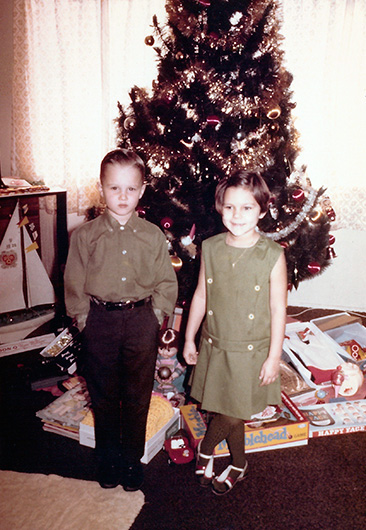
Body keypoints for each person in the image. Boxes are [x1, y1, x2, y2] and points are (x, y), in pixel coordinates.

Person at [64, 148, 178, 491]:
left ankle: (131, 461)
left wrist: (155, 316)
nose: (123, 196)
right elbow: (73, 283)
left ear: (142, 190)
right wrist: (84, 321)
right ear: (102, 188)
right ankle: (108, 460)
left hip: (141, 320)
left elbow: (165, 282)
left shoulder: (153, 235)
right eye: (115, 188)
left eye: (131, 188)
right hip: (100, 321)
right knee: (103, 394)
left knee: (137, 395)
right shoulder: (85, 236)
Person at [182, 169, 287, 495]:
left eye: (247, 208)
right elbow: (201, 295)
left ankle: (205, 449)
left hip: (252, 350)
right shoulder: (211, 247)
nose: (237, 215)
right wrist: (188, 336)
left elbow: (278, 309)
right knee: (232, 409)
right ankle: (239, 463)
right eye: (230, 207)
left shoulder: (272, 254)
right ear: (220, 207)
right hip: (216, 343)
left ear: (263, 210)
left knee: (234, 409)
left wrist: (274, 357)